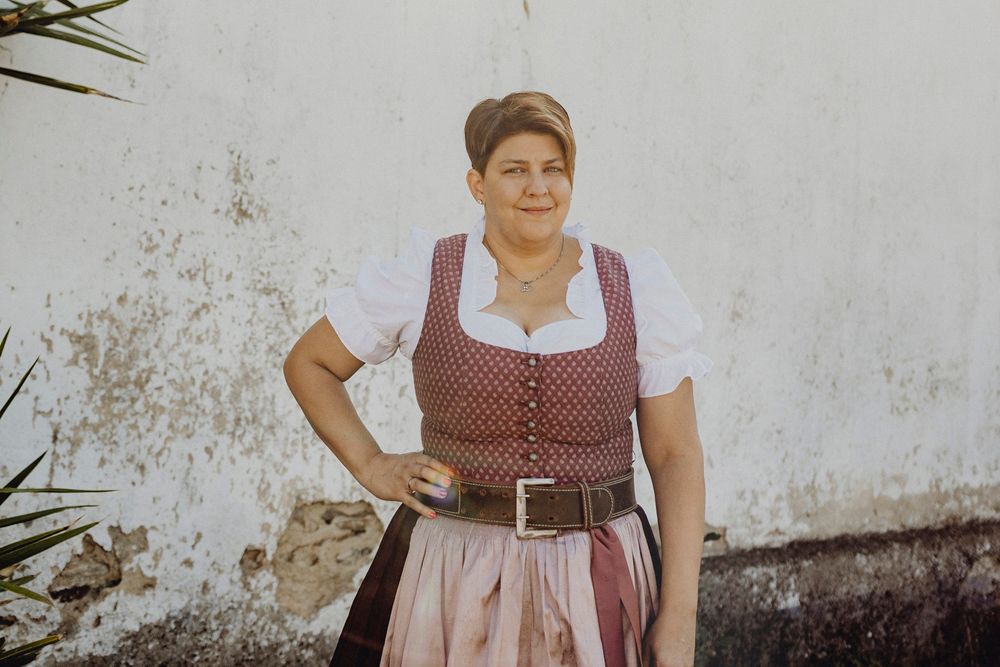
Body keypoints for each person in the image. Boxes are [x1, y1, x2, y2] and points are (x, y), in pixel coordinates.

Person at [283, 91, 712, 667]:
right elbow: (310, 363)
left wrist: (679, 616)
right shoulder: (425, 275)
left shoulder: (634, 286)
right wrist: (372, 464)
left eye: (552, 170)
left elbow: (675, 453)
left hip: (597, 571)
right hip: (453, 569)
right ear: (477, 184)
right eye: (515, 170)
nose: (538, 188)